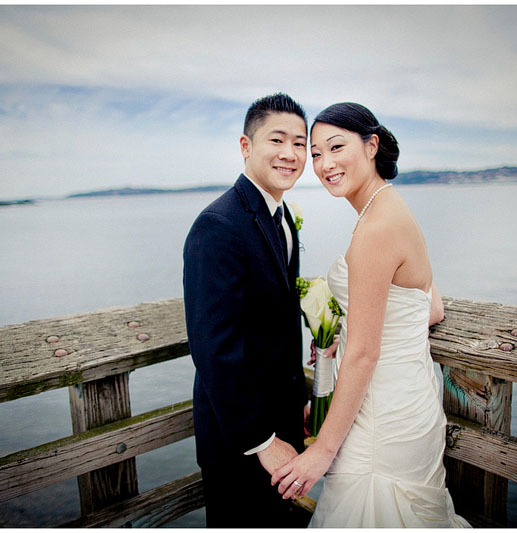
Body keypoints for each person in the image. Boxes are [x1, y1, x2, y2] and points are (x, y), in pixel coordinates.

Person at [271, 102, 470, 528]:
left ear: (371, 145)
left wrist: (321, 451)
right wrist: (351, 330)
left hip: (382, 418)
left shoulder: (376, 229)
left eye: (337, 147)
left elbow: (364, 354)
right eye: (317, 152)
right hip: (409, 398)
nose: (325, 164)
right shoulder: (391, 210)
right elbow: (429, 308)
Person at [182, 93, 311, 527]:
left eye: (299, 142)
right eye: (277, 140)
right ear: (245, 146)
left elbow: (272, 324)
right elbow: (214, 349)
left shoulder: (281, 215)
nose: (290, 154)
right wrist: (262, 441)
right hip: (240, 444)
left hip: (283, 427)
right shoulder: (218, 225)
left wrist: (300, 401)